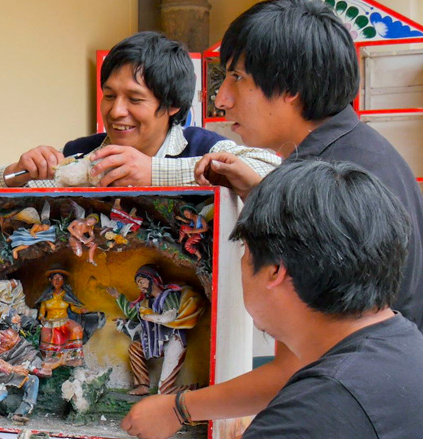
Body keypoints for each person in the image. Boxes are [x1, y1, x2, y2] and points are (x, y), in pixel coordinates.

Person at [128, 1, 423, 437]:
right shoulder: (357, 155)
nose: (221, 99)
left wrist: (177, 408)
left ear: (290, 88)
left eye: (236, 77)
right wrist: (262, 195)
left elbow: (295, 365)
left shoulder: (332, 178)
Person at [138, 160, 423, 438]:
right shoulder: (407, 348)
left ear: (274, 270)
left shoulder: (306, 418)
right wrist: (180, 408)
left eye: (245, 251)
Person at [0, 31, 279, 189]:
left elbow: (272, 171)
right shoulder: (81, 154)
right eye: (109, 95)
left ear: (172, 104)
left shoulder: (202, 146)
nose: (116, 111)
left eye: (135, 99)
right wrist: (17, 173)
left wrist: (151, 172)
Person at [107, 265, 205, 396]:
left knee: (164, 391)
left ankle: (198, 388)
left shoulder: (169, 295)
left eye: (141, 282)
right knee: (135, 348)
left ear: (151, 279)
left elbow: (169, 317)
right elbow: (134, 314)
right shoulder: (146, 302)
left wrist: (151, 316)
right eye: (138, 284)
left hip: (173, 341)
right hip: (155, 342)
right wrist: (118, 297)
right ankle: (142, 385)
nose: (140, 286)